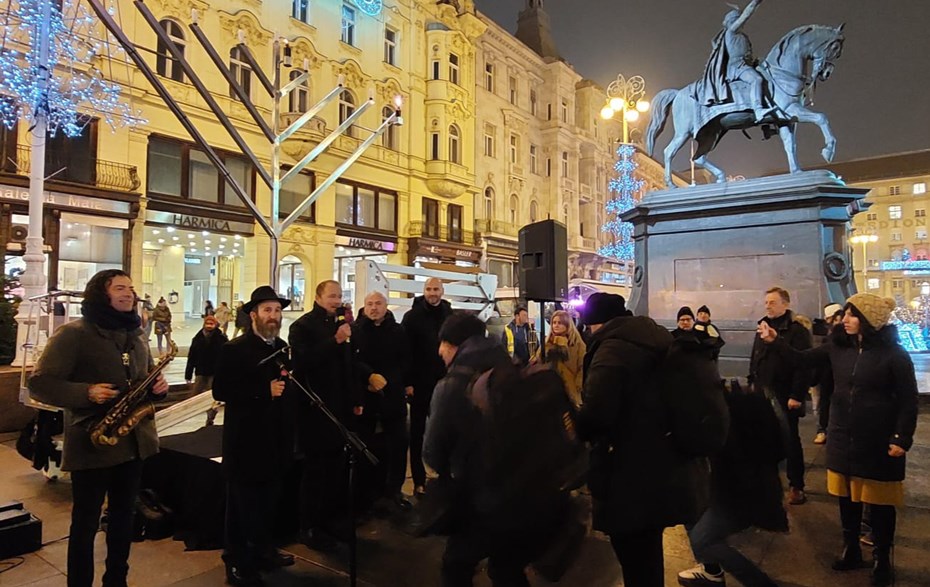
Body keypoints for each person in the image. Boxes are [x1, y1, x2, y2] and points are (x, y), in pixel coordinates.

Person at [759, 294, 918, 587]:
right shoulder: (837, 348)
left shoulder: (895, 355)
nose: (844, 320)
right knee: (846, 498)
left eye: (852, 315)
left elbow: (908, 401)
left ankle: (883, 557)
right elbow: (802, 359)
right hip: (843, 435)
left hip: (878, 440)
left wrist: (901, 437)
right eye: (845, 313)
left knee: (879, 503)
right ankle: (851, 549)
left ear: (870, 321)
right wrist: (774, 342)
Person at [29, 269, 169, 587]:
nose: (129, 293)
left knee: (122, 519)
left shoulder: (136, 335)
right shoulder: (74, 333)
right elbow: (39, 382)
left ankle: (116, 580)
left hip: (133, 443)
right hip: (94, 442)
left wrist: (156, 387)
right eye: (120, 288)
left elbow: (144, 378)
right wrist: (86, 393)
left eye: (131, 288)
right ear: (100, 294)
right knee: (85, 523)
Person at [576, 293, 709, 587]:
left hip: (630, 473)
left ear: (595, 324)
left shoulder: (611, 351)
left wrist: (571, 418)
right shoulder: (654, 337)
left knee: (636, 557)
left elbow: (596, 416)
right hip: (664, 462)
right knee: (647, 553)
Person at [424, 312, 566, 587]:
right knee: (507, 569)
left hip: (481, 499)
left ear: (449, 344)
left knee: (456, 566)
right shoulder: (514, 368)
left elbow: (433, 451)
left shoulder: (452, 384)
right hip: (530, 494)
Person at [212, 286, 296, 586]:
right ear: (253, 315)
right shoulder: (234, 350)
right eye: (267, 310)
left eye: (276, 310)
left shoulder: (282, 347)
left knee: (268, 504)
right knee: (241, 508)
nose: (273, 316)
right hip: (245, 444)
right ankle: (236, 563)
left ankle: (263, 552)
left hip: (275, 442)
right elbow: (221, 390)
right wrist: (263, 391)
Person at [677, 380, 787, 587]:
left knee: (703, 541)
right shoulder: (738, 406)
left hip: (740, 494)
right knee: (690, 512)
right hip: (736, 488)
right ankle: (711, 571)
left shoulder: (729, 415)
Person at [288, 280, 364, 550]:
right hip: (315, 410)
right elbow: (302, 362)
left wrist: (355, 399)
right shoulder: (302, 327)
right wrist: (335, 340)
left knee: (337, 469)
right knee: (315, 471)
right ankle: (308, 526)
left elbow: (349, 365)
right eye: (332, 296)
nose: (336, 300)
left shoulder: (340, 325)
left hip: (340, 409)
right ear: (318, 297)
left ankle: (331, 520)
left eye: (339, 296)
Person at [748, 286, 812, 506]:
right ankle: (767, 484)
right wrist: (751, 382)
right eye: (766, 302)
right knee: (763, 440)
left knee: (790, 440)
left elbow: (803, 366)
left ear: (786, 304)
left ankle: (796, 486)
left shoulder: (796, 331)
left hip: (785, 394)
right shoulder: (762, 326)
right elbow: (756, 357)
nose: (768, 306)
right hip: (762, 391)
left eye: (773, 302)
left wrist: (797, 395)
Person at [352, 291, 412, 512]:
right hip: (366, 397)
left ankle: (393, 491)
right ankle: (367, 495)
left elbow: (406, 360)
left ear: (386, 306)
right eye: (369, 304)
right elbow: (353, 360)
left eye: (378, 303)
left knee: (397, 446)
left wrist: (391, 381)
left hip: (392, 396)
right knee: (366, 447)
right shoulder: (357, 331)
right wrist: (368, 377)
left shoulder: (398, 331)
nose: (373, 308)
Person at [401, 277, 453, 496]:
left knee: (445, 430)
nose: (432, 293)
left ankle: (445, 474)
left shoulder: (450, 316)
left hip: (445, 382)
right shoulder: (411, 317)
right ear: (424, 291)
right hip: (420, 384)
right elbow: (405, 352)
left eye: (436, 289)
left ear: (442, 291)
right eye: (429, 289)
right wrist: (408, 382)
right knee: (417, 432)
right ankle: (419, 480)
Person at [694, 0, 773, 123]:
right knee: (756, 80)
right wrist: (755, 3)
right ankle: (758, 110)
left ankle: (768, 124)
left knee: (769, 79)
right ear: (732, 22)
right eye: (737, 19)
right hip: (737, 67)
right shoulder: (731, 32)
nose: (740, 22)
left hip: (747, 65)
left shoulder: (743, 36)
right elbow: (746, 15)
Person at [530, 309, 586, 406]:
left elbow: (582, 365)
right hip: (549, 387)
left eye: (560, 323)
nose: (556, 325)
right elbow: (539, 360)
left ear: (567, 324)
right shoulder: (547, 342)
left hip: (570, 387)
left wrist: (579, 384)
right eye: (554, 322)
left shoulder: (577, 343)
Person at [812, 303, 844, 445]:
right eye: (836, 319)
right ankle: (822, 429)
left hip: (838, 376)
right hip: (826, 376)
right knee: (823, 403)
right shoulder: (824, 336)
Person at [184, 315, 228, 395]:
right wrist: (188, 375)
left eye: (211, 324)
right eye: (207, 323)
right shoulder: (197, 338)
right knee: (195, 395)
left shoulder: (221, 338)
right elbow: (191, 357)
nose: (209, 326)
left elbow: (227, 357)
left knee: (211, 395)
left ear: (215, 325)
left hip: (214, 371)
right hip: (201, 371)